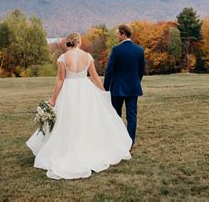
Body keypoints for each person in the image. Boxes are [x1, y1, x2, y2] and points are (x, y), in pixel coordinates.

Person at [26, 32, 132, 180]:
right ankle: (87, 147)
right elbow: (94, 76)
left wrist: (53, 99)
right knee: (87, 119)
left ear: (68, 43)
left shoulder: (63, 58)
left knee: (67, 121)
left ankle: (67, 148)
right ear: (79, 42)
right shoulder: (87, 56)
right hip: (85, 89)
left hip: (69, 91)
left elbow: (60, 80)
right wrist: (103, 91)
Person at [104, 24, 145, 147]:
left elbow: (109, 70)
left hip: (117, 88)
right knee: (132, 116)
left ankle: (117, 140)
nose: (117, 35)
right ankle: (130, 142)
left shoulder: (116, 50)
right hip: (133, 87)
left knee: (116, 115)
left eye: (118, 33)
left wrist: (106, 88)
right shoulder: (139, 50)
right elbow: (141, 70)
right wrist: (136, 81)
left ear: (122, 34)